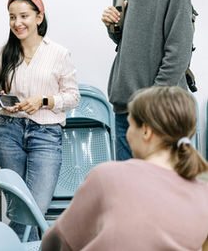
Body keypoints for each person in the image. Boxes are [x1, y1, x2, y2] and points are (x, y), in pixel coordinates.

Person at [41, 86, 208, 251]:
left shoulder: (107, 176)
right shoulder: (203, 193)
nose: (127, 134)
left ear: (146, 131)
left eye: (130, 126)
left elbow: (57, 241)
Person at [101, 0, 194, 160]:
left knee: (163, 192)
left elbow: (178, 53)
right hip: (125, 111)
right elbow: (128, 44)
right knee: (128, 191)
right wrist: (113, 27)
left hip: (161, 112)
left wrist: (150, 103)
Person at [0, 0, 80, 241]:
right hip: (8, 132)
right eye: (12, 17)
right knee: (18, 207)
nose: (17, 23)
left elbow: (73, 97)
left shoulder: (59, 53)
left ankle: (8, 245)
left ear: (39, 17)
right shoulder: (4, 53)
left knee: (34, 208)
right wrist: (4, 101)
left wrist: (43, 100)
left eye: (24, 16)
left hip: (46, 134)